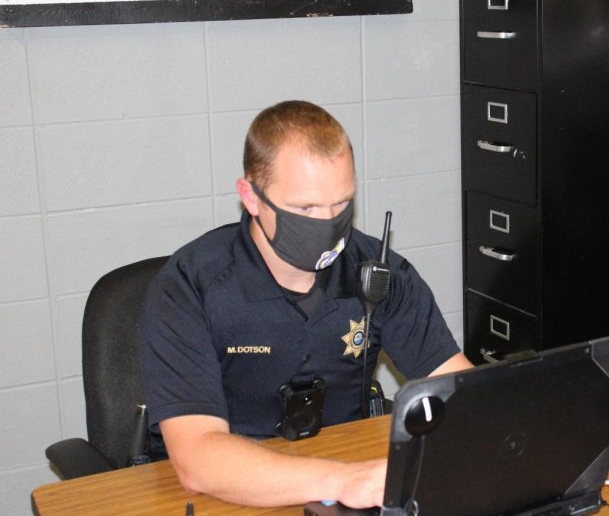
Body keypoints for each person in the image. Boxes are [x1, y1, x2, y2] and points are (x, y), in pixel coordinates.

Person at [139, 100, 472, 508]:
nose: (328, 224)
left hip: (341, 483)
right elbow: (198, 460)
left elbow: (462, 396)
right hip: (224, 496)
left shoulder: (380, 273)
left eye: (341, 204)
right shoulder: (189, 286)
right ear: (251, 197)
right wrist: (343, 481)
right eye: (305, 208)